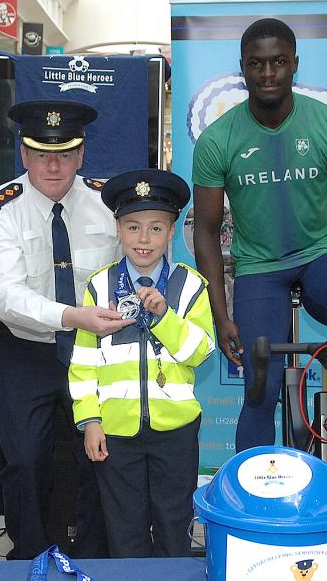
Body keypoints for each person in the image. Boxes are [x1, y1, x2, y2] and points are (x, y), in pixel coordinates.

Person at [192, 18, 327, 452]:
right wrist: (221, 316)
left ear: (295, 63)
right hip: (259, 267)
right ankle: (251, 500)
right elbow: (204, 231)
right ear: (242, 68)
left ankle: (321, 426)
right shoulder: (218, 140)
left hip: (320, 254)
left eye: (279, 61)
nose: (268, 73)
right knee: (259, 386)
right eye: (256, 64)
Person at [0, 99, 131, 560]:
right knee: (24, 459)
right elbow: (5, 297)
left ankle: (90, 554)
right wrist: (72, 315)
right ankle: (29, 553)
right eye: (41, 154)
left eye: (64, 153)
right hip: (25, 349)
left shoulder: (111, 203)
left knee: (103, 455)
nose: (53, 165)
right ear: (23, 155)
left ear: (81, 154)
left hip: (98, 348)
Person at [70, 169, 215, 558]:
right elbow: (83, 364)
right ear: (118, 229)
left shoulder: (190, 285)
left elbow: (200, 351)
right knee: (124, 527)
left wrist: (166, 317)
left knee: (173, 525)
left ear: (171, 233)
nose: (144, 239)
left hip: (176, 429)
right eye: (133, 227)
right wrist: (91, 420)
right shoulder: (99, 286)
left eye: (155, 228)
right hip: (116, 430)